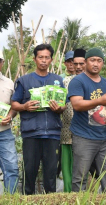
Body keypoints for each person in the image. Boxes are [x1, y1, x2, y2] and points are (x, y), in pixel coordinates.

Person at [11, 44, 65, 195]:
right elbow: (14, 103)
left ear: (51, 60)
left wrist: (58, 108)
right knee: (29, 171)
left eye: (47, 57)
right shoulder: (24, 80)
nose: (43, 61)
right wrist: (25, 106)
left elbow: (64, 106)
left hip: (52, 133)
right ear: (34, 59)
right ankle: (28, 199)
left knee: (51, 173)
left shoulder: (58, 80)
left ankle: (50, 200)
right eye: (40, 57)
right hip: (31, 133)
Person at [68, 47, 106, 192]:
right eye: (92, 60)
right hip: (84, 136)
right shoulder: (78, 81)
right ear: (86, 62)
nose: (96, 64)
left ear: (103, 63)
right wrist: (99, 101)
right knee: (80, 176)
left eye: (99, 61)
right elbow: (76, 104)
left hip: (105, 137)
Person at [60, 48, 86, 192]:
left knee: (83, 163)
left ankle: (82, 193)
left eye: (79, 63)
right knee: (67, 163)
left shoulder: (91, 80)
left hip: (86, 130)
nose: (76, 66)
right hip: (66, 129)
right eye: (72, 63)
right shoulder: (64, 81)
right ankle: (68, 193)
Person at [0, 50, 19, 194]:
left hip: (4, 132)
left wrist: (11, 116)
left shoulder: (9, 83)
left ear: (2, 63)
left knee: (11, 167)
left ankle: (9, 199)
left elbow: (14, 106)